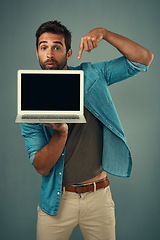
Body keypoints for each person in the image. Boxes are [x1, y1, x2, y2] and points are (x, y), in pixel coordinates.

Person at [20, 20, 153, 240]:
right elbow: (41, 167)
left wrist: (105, 33)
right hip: (57, 203)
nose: (50, 53)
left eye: (57, 46)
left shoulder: (91, 75)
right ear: (37, 53)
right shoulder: (30, 102)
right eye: (44, 47)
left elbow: (143, 59)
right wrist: (61, 133)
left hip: (99, 197)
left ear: (69, 52)